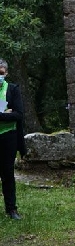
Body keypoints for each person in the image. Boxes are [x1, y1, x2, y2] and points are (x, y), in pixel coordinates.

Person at [0, 59, 26, 220]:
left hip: (8, 137)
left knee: (7, 174)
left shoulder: (12, 89)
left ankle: (11, 209)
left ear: (6, 73)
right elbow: (10, 113)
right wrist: (6, 114)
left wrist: (2, 115)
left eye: (1, 73)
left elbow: (18, 114)